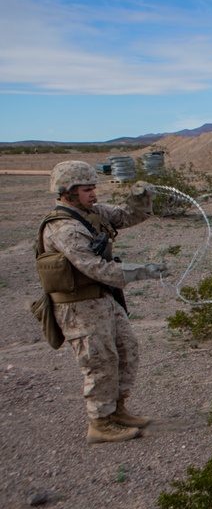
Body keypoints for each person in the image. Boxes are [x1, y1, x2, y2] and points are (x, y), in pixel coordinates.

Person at [37, 161, 169, 444]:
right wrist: (143, 271)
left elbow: (126, 217)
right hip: (80, 307)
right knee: (100, 361)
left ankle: (117, 411)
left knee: (125, 349)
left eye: (94, 187)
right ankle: (100, 423)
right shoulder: (64, 228)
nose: (93, 194)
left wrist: (140, 197)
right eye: (87, 189)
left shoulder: (93, 214)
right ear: (67, 192)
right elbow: (95, 268)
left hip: (103, 300)